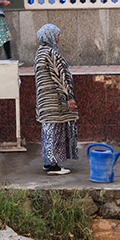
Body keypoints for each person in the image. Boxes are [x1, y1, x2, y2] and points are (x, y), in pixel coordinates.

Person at [33, 23, 79, 175]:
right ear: (50, 37)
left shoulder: (39, 54)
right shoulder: (51, 54)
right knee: (55, 132)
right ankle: (53, 166)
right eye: (57, 36)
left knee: (48, 132)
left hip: (44, 102)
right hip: (55, 102)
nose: (58, 39)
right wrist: (68, 97)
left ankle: (48, 162)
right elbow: (60, 77)